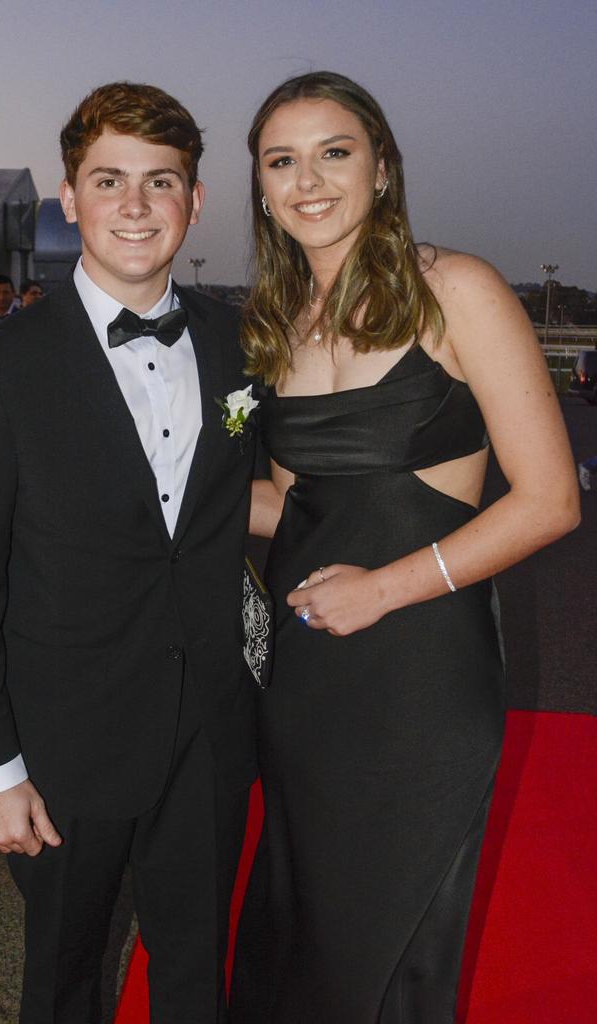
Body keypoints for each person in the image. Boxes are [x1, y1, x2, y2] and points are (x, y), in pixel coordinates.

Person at [229, 72, 580, 1024]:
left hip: (419, 665)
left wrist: (384, 588)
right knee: (301, 925)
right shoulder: (278, 323)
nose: (309, 180)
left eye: (334, 152)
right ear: (260, 185)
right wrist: (164, 499)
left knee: (389, 944)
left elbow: (549, 501)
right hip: (308, 670)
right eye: (282, 160)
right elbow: (295, 506)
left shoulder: (457, 288)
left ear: (382, 168)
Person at [0, 82, 257, 1024]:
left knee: (197, 969)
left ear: (195, 201)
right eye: (109, 180)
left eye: (163, 181)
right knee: (66, 977)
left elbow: (260, 502)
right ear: (70, 199)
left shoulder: (242, 347)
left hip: (208, 733)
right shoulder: (1, 366)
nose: (137, 206)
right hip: (63, 747)